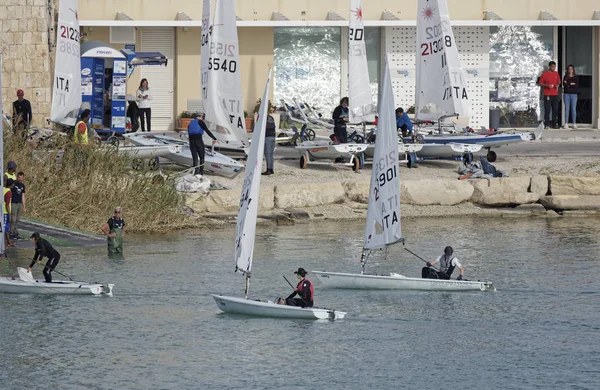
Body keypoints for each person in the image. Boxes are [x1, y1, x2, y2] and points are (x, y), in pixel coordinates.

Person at [188, 113, 217, 178]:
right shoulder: (200, 122)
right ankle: (201, 174)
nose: (203, 119)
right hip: (198, 141)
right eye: (203, 117)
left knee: (195, 159)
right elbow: (207, 130)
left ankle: (195, 174)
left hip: (191, 142)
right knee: (202, 158)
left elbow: (189, 133)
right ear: (200, 117)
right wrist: (214, 138)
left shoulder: (190, 123)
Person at [538, 61, 561, 129]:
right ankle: (547, 124)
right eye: (552, 67)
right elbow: (540, 83)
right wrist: (547, 85)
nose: (554, 68)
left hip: (555, 94)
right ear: (549, 67)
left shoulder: (556, 73)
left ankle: (554, 124)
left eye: (554, 67)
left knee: (555, 109)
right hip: (547, 94)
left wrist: (557, 85)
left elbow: (559, 81)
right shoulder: (545, 74)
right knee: (547, 110)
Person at [9, 172, 26, 240]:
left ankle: (15, 232)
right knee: (13, 219)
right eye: (19, 177)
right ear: (17, 177)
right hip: (14, 203)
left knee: (17, 219)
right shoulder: (14, 183)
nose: (20, 179)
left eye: (22, 177)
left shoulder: (23, 186)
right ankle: (10, 232)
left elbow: (23, 196)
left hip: (19, 204)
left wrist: (24, 206)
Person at [563, 64, 579, 129]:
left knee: (573, 109)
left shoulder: (576, 77)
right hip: (566, 94)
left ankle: (574, 123)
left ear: (573, 70)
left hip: (574, 94)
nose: (570, 70)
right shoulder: (565, 76)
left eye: (571, 69)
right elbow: (565, 84)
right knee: (567, 109)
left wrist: (569, 84)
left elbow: (576, 86)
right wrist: (570, 84)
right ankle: (566, 123)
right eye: (569, 69)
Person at [3, 178, 15, 247]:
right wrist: (9, 214)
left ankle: (8, 241)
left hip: (3, 211)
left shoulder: (3, 189)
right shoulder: (8, 192)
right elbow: (7, 204)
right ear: (12, 185)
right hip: (5, 212)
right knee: (5, 227)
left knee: (5, 227)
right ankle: (7, 242)